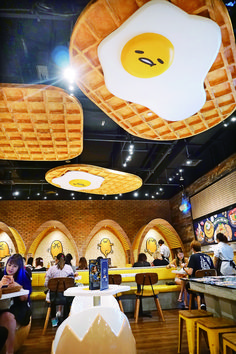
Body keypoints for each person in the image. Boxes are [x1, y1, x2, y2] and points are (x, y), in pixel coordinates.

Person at [0, 254, 32, 354]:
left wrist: (15, 285)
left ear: (19, 268)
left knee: (8, 317)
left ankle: (10, 351)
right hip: (3, 305)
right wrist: (1, 284)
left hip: (19, 306)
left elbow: (25, 297)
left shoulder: (24, 276)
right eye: (9, 265)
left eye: (14, 266)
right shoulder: (2, 275)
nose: (11, 268)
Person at [45, 253, 74, 327]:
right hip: (66, 297)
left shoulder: (51, 269)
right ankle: (65, 319)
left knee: (52, 300)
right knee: (68, 299)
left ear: (56, 260)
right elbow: (72, 282)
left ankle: (54, 320)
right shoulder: (69, 268)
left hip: (54, 297)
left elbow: (46, 284)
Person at [183, 240, 214, 309]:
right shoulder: (208, 256)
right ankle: (203, 303)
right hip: (208, 283)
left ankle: (199, 303)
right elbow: (213, 270)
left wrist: (184, 268)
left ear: (192, 248)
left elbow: (190, 272)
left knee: (187, 285)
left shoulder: (193, 257)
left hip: (198, 283)